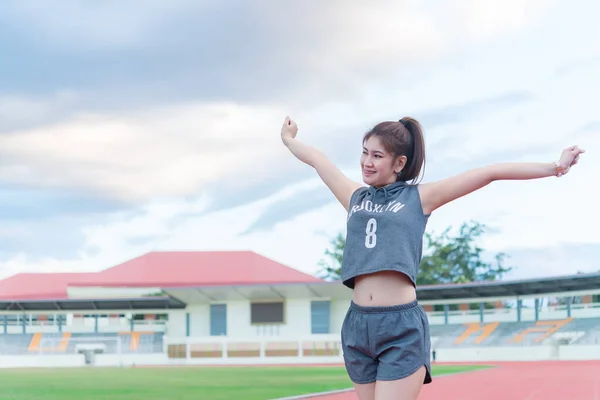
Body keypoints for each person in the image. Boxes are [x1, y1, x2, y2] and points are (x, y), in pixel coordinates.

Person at [280, 116, 584, 400]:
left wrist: (555, 166)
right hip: (357, 325)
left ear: (399, 162)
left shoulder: (419, 198)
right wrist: (289, 140)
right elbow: (318, 160)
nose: (366, 162)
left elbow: (489, 173)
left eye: (377, 156)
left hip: (399, 326)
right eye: (364, 152)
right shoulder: (354, 197)